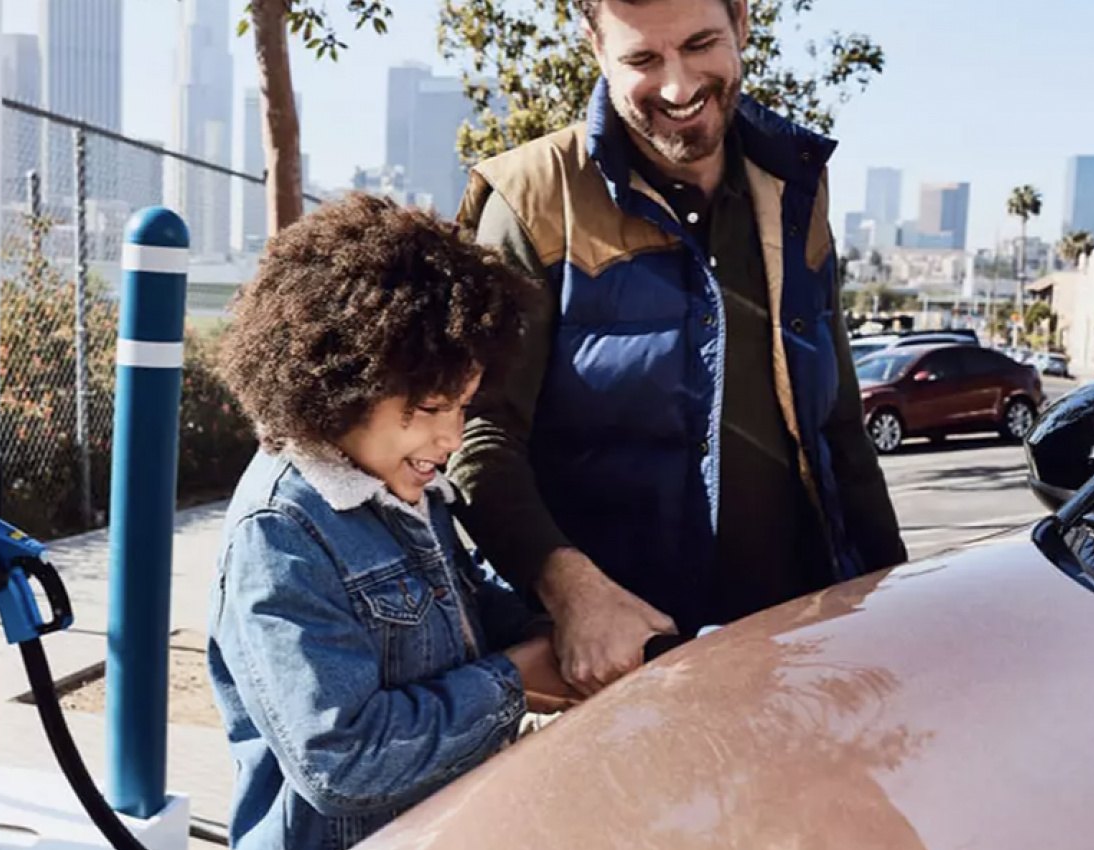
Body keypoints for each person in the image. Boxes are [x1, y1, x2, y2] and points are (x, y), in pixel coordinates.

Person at [448, 0, 908, 698]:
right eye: (642, 59)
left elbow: (838, 424)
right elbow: (476, 435)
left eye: (700, 45)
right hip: (626, 669)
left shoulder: (797, 187)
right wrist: (572, 591)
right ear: (594, 46)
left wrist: (892, 603)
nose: (677, 86)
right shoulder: (530, 201)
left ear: (743, 22)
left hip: (804, 649)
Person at [206, 192, 578, 850]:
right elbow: (340, 761)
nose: (454, 437)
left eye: (463, 407)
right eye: (433, 408)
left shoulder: (400, 481)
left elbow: (456, 603)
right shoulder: (280, 533)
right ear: (343, 381)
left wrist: (560, 632)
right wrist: (514, 680)